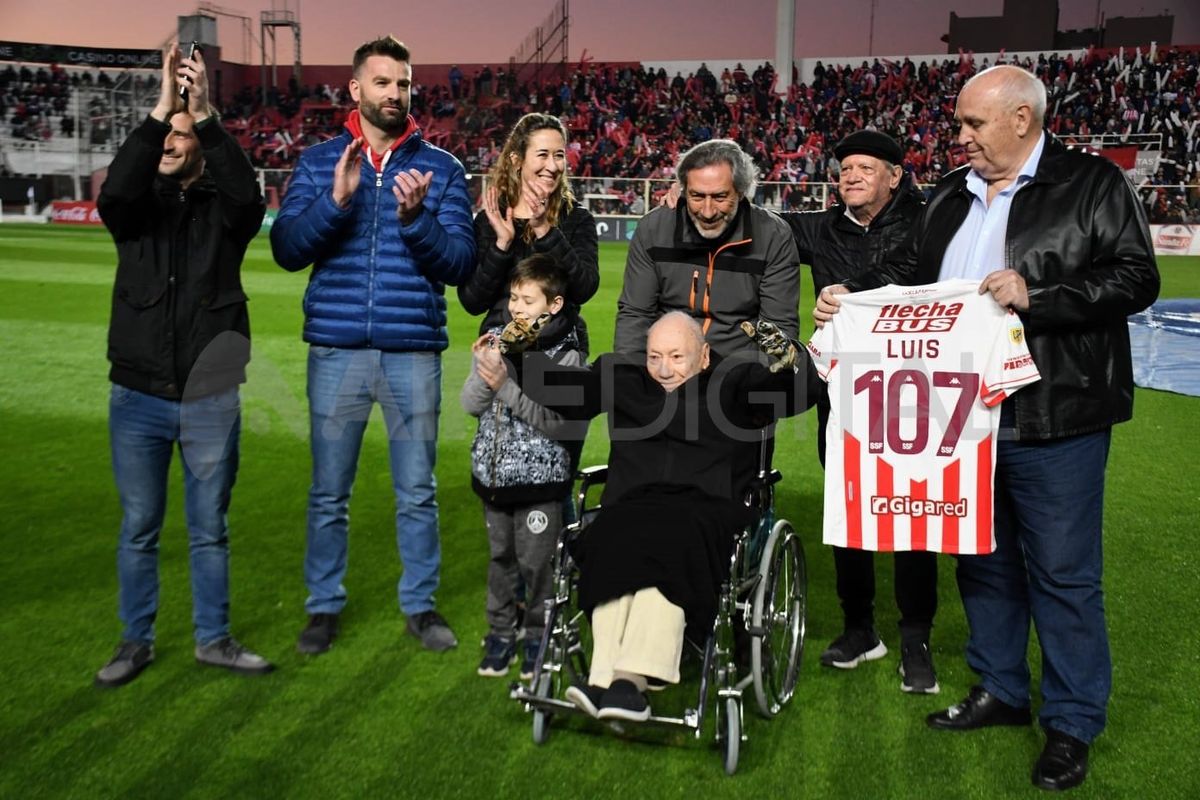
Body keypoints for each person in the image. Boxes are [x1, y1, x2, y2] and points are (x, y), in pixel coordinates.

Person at [815, 65, 1160, 791]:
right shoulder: (948, 192)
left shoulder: (1093, 182)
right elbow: (908, 275)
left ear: (1022, 121)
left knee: (1064, 573)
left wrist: (1043, 294)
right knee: (982, 562)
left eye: (974, 124)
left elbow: (1136, 278)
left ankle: (1069, 723)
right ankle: (1001, 688)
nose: (961, 136)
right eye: (961, 123)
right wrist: (854, 301)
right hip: (961, 418)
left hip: (1057, 412)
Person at [487, 312, 819, 721]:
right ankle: (608, 680)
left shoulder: (734, 383)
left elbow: (793, 395)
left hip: (704, 510)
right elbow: (561, 390)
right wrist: (524, 353)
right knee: (608, 536)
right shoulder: (624, 378)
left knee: (668, 542)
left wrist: (791, 362)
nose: (664, 369)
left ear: (703, 356)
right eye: (655, 356)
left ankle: (626, 681)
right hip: (631, 506)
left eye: (677, 357)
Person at [271, 36, 475, 656]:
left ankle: (420, 604)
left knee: (417, 490)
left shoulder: (442, 169)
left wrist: (416, 221)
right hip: (336, 351)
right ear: (355, 89)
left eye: (404, 84)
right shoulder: (317, 163)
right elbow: (286, 250)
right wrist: (335, 203)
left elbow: (461, 263)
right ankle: (323, 605)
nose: (395, 93)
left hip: (412, 350)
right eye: (383, 82)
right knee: (329, 491)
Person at [94, 42, 270, 687]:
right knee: (139, 528)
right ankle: (134, 641)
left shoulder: (227, 213)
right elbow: (114, 189)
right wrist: (162, 106)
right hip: (137, 394)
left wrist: (206, 115)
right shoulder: (133, 211)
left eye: (178, 134)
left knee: (208, 529)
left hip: (209, 396)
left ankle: (213, 639)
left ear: (199, 145)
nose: (169, 140)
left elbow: (250, 199)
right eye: (162, 134)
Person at [780, 130, 938, 693]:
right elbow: (755, 226)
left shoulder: (930, 216)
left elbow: (917, 269)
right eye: (845, 167)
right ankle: (859, 629)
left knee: (915, 510)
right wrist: (699, 189)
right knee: (850, 507)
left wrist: (851, 291)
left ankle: (915, 635)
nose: (849, 176)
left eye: (864, 167)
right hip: (843, 390)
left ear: (895, 176)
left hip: (917, 388)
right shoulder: (824, 227)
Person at [461, 255, 585, 680]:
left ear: (553, 305)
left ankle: (538, 636)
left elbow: (559, 423)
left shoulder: (567, 356)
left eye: (527, 300)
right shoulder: (496, 338)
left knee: (537, 566)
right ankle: (499, 632)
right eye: (513, 298)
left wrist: (505, 385)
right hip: (492, 478)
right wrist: (485, 370)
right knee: (500, 559)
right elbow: (470, 404)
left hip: (540, 483)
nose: (515, 308)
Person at [614, 138, 799, 360]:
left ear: (741, 193)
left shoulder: (773, 236)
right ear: (684, 191)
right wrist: (631, 379)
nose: (708, 211)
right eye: (697, 196)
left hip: (738, 376)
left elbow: (777, 331)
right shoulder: (652, 229)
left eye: (720, 197)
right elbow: (636, 315)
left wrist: (751, 386)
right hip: (666, 372)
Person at [457, 112, 598, 353]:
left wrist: (544, 230)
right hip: (500, 356)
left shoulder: (576, 218)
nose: (553, 166)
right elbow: (472, 302)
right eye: (543, 155)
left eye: (559, 155)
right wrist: (502, 245)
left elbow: (584, 289)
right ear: (516, 159)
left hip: (561, 354)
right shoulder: (489, 220)